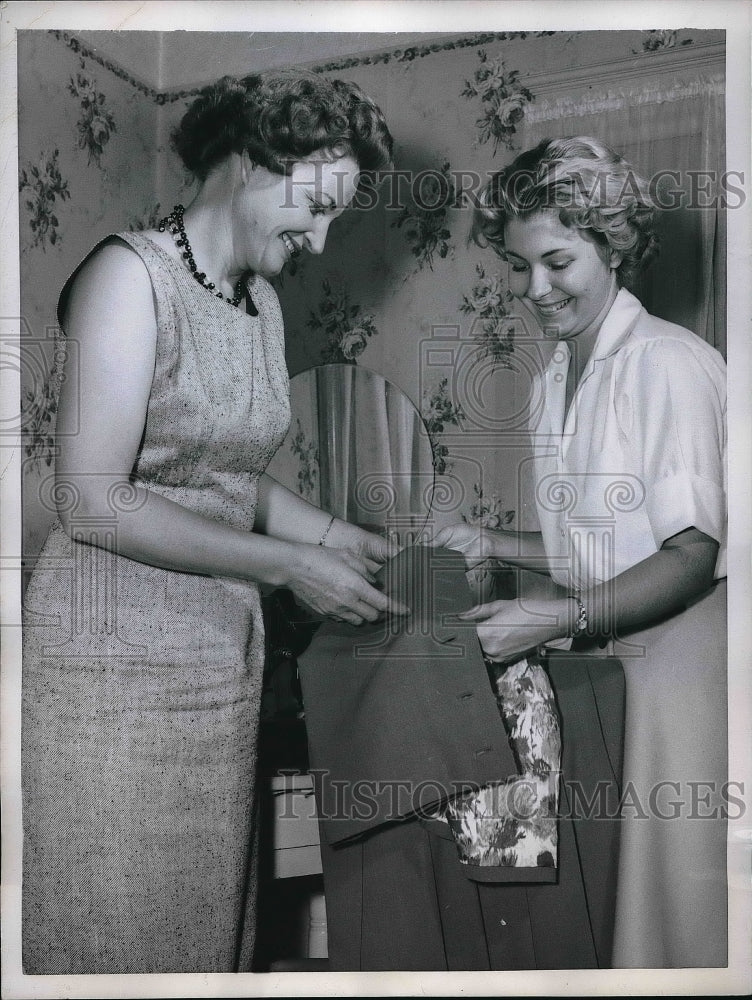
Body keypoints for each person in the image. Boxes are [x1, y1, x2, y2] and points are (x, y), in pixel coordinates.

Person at [21, 69, 408, 975]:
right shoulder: (129, 277)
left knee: (198, 939)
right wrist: (284, 565)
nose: (321, 238)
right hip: (108, 675)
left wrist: (326, 536)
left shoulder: (259, 303)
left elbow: (224, 473)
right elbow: (91, 495)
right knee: (112, 933)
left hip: (216, 662)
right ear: (245, 163)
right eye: (315, 207)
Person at [435, 136, 727, 968]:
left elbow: (688, 556)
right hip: (612, 656)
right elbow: (592, 545)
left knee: (679, 910)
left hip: (686, 659)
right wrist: (490, 540)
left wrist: (553, 618)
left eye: (557, 261)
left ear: (612, 243)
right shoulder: (556, 377)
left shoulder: (665, 362)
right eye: (520, 267)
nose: (536, 289)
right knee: (623, 907)